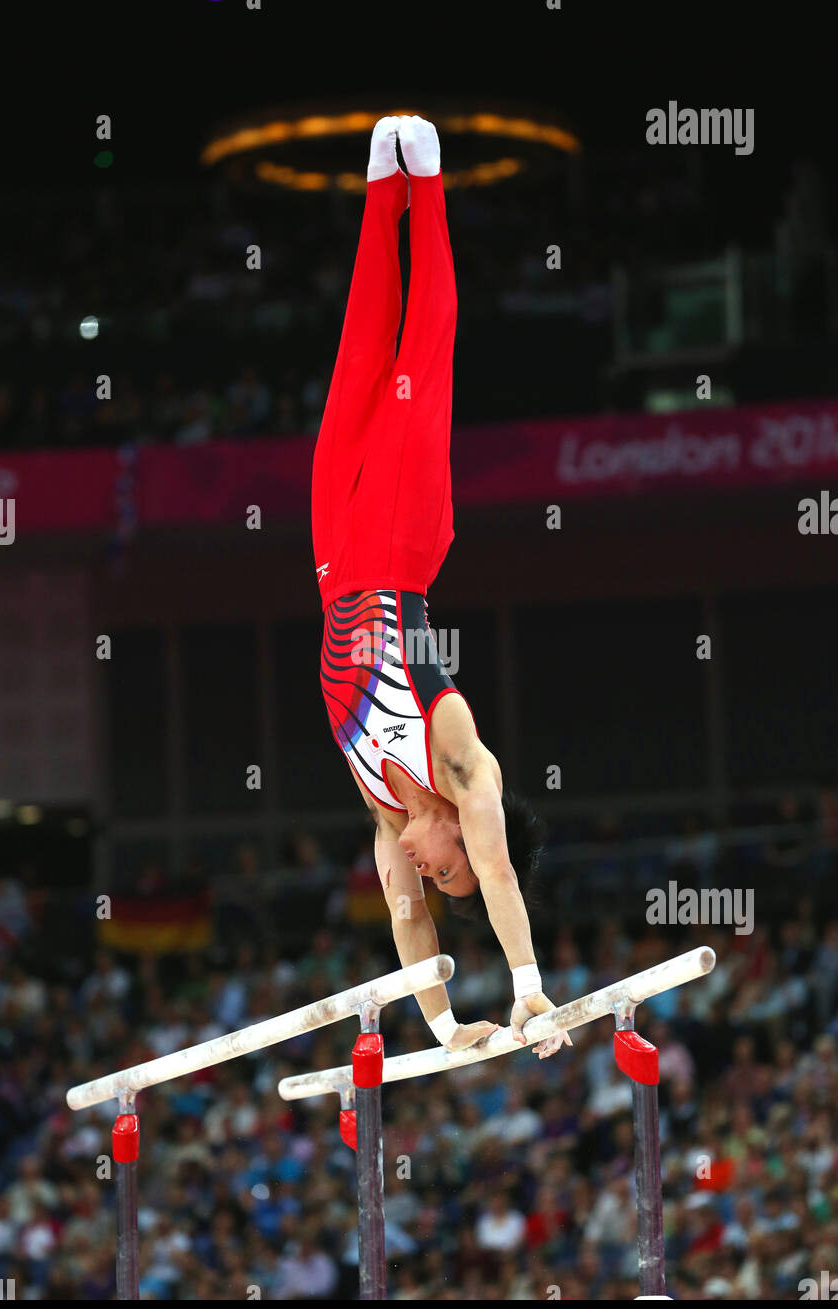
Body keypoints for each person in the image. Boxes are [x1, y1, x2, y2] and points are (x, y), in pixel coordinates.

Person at [312, 115, 570, 1060]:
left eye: (437, 876)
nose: (428, 872)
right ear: (464, 833)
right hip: (404, 549)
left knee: (356, 359)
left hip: (334, 557)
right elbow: (499, 868)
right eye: (444, 869)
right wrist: (531, 993)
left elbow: (405, 924)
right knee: (424, 348)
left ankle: (379, 188)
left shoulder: (385, 814)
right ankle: (427, 183)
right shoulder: (463, 761)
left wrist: (445, 1026)